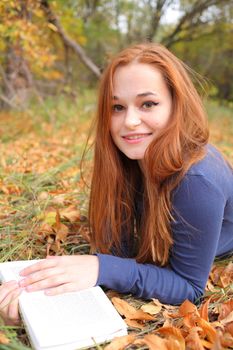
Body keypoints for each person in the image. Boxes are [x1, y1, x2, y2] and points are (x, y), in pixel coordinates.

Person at [1, 43, 233, 326]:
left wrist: (101, 267)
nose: (130, 121)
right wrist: (34, 302)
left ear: (177, 105)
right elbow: (120, 252)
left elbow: (189, 286)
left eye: (148, 103)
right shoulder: (128, 156)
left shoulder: (197, 181)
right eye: (117, 107)